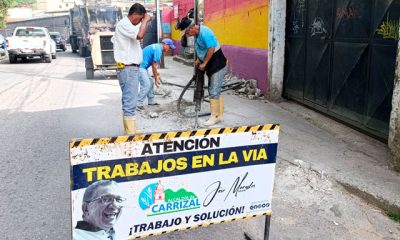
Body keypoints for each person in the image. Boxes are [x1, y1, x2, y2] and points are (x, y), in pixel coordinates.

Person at [112, 3, 152, 135]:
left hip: (129, 68)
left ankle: (130, 130)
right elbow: (140, 35)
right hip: (128, 69)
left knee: (129, 99)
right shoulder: (124, 24)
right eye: (140, 18)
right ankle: (130, 133)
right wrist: (146, 20)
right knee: (130, 100)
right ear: (134, 14)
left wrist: (143, 21)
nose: (140, 21)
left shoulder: (126, 26)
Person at [181, 21, 228, 126]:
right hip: (211, 65)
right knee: (216, 90)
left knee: (213, 90)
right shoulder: (197, 35)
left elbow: (211, 48)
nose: (188, 36)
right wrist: (199, 59)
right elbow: (201, 48)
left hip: (218, 64)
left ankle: (214, 117)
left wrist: (205, 62)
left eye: (187, 33)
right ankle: (220, 115)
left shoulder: (205, 32)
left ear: (192, 28)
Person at [137, 39, 176, 110]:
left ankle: (151, 101)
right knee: (146, 84)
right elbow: (154, 66)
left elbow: (153, 64)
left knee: (150, 82)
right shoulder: (158, 50)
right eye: (169, 47)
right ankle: (138, 103)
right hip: (140, 67)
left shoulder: (157, 47)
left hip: (142, 67)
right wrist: (156, 79)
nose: (169, 49)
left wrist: (156, 74)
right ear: (165, 44)